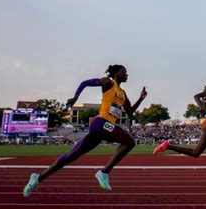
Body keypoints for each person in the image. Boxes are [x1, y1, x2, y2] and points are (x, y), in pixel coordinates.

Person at [23, 65, 147, 197]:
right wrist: (75, 97)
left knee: (71, 156)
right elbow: (85, 83)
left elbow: (129, 112)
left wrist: (140, 99)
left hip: (103, 129)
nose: (127, 75)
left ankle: (37, 178)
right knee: (130, 142)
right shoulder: (108, 82)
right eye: (124, 72)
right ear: (117, 73)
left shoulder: (122, 94)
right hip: (101, 123)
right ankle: (104, 172)